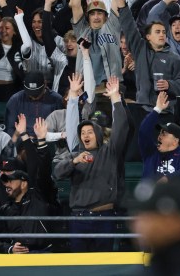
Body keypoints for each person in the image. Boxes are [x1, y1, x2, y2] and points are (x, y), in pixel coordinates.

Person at [53, 75, 128, 253]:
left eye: (90, 132)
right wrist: (74, 161)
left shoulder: (109, 152)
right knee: (79, 266)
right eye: (83, 132)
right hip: (79, 219)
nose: (86, 135)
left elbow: (122, 125)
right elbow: (56, 173)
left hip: (104, 217)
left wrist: (116, 98)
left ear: (99, 134)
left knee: (104, 265)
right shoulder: (76, 155)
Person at [113, 0, 180, 112]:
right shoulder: (140, 49)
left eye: (164, 32)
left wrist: (170, 84)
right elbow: (129, 25)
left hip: (165, 110)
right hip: (142, 108)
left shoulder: (174, 58)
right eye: (157, 32)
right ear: (148, 36)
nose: (162, 35)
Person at [138, 91, 180, 181]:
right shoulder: (151, 152)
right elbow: (143, 132)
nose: (160, 136)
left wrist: (166, 179)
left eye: (164, 133)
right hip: (150, 194)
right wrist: (157, 110)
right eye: (160, 132)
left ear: (175, 141)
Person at [0, 170, 53, 254]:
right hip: (17, 258)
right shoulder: (4, 210)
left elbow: (43, 172)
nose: (7, 184)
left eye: (11, 181)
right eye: (6, 182)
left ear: (23, 184)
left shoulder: (39, 198)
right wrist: (10, 249)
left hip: (42, 254)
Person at [4, 71, 63, 136]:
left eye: (37, 93)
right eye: (30, 94)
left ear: (45, 84)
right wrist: (23, 140)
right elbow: (9, 128)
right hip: (22, 142)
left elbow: (61, 127)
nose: (34, 97)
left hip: (48, 140)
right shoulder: (15, 99)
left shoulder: (57, 99)